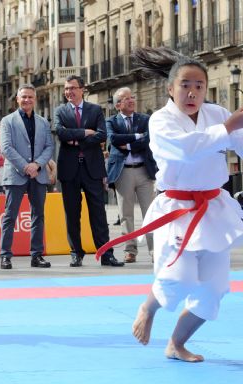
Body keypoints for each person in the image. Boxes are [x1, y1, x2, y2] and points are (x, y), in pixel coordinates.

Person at [97, 47, 243, 362]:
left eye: (199, 86)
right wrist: (230, 127)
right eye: (185, 85)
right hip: (177, 210)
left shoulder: (216, 115)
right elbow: (188, 150)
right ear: (170, 88)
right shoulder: (161, 121)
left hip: (213, 207)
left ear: (206, 89)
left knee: (214, 289)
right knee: (180, 277)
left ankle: (176, 343)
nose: (192, 92)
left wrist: (233, 129)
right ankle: (148, 308)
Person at [54, 75, 124, 268]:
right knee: (72, 214)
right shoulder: (60, 111)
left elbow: (102, 134)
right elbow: (61, 133)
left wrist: (74, 138)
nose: (69, 92)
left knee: (98, 214)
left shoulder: (95, 110)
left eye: (72, 88)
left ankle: (106, 254)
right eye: (66, 89)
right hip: (69, 170)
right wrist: (85, 132)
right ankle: (76, 253)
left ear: (82, 89)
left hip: (92, 168)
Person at [0, 84, 54, 270]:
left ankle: (36, 255)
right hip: (16, 174)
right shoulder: (7, 121)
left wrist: (37, 165)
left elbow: (49, 147)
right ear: (17, 99)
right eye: (23, 97)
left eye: (30, 97)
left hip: (38, 174)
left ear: (35, 99)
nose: (27, 100)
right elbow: (6, 147)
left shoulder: (43, 122)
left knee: (38, 215)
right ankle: (5, 255)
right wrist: (25, 167)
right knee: (10, 216)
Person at [106, 87, 156, 263]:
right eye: (126, 98)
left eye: (132, 97)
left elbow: (148, 140)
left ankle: (154, 250)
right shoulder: (111, 121)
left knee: (150, 212)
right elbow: (113, 140)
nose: (131, 100)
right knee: (126, 214)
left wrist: (126, 145)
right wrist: (136, 137)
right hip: (123, 171)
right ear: (118, 105)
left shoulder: (145, 120)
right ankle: (130, 250)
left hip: (144, 170)